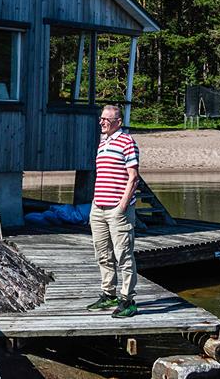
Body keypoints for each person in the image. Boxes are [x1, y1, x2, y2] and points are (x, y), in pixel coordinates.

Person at [85, 104, 139, 318]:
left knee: (124, 255)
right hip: (98, 207)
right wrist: (95, 203)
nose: (102, 122)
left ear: (118, 122)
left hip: (118, 209)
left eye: (106, 119)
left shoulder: (127, 142)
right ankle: (109, 294)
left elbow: (133, 177)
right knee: (103, 254)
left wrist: (122, 206)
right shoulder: (102, 142)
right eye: (101, 119)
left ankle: (128, 300)